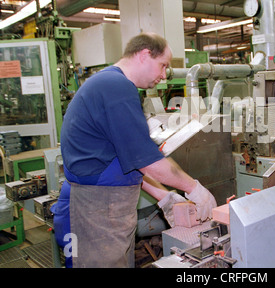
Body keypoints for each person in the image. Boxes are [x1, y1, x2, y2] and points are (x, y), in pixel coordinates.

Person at [50, 32, 217, 268]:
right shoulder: (115, 87)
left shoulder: (110, 83)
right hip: (100, 208)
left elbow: (128, 161)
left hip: (106, 206)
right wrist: (194, 189)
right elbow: (148, 160)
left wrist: (166, 197)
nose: (163, 75)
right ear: (144, 54)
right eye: (163, 66)